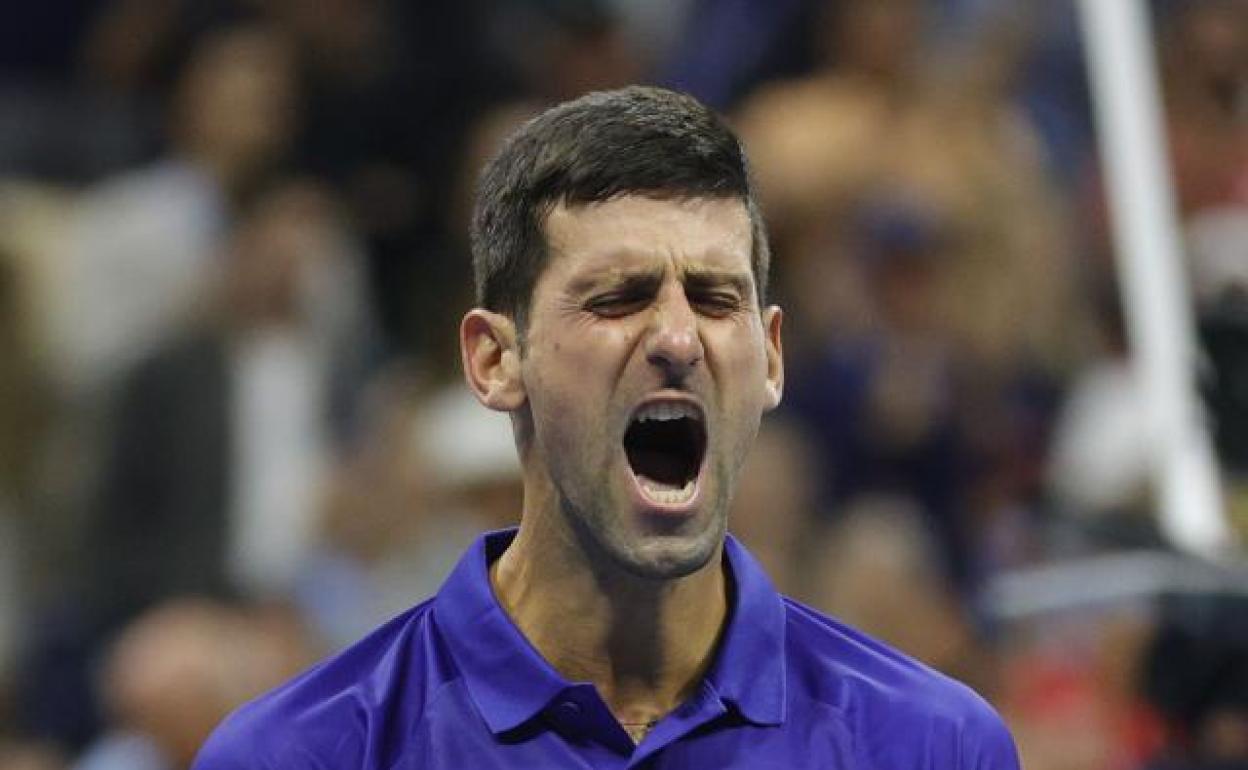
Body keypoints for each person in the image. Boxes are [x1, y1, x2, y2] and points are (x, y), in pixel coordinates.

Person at [192, 85, 1020, 768]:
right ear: (493, 360)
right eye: (617, 298)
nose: (676, 338)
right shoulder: (298, 755)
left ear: (770, 358)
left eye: (715, 297)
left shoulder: (933, 746)